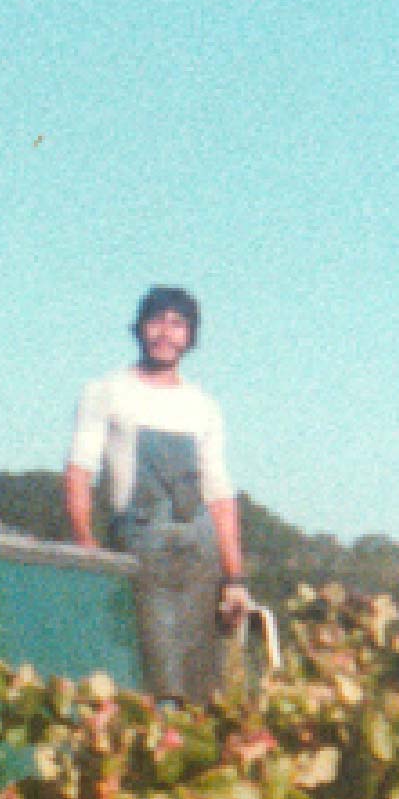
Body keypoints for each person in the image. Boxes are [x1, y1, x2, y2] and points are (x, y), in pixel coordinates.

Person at [64, 286, 253, 703]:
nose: (166, 334)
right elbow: (80, 470)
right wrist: (85, 542)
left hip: (198, 553)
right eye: (157, 322)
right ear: (140, 328)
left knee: (205, 688)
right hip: (139, 549)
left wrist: (234, 576)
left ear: (190, 336)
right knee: (150, 680)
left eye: (178, 324)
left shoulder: (202, 405)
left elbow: (219, 493)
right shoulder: (106, 391)